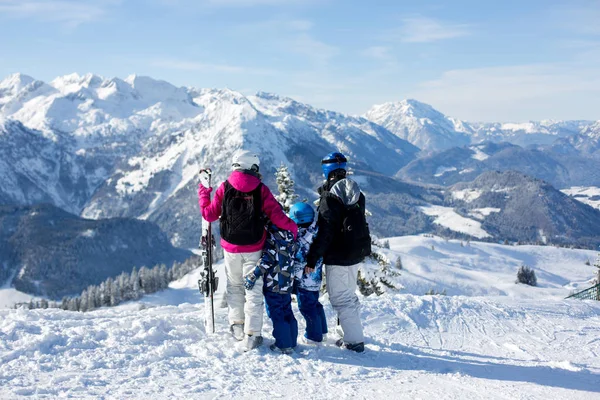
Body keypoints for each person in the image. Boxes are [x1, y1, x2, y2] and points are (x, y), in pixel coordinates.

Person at [198, 150, 298, 351]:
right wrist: (292, 229)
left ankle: (237, 326)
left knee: (234, 286)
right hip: (255, 247)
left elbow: (209, 215)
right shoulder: (261, 189)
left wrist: (203, 191)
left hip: (230, 248)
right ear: (253, 167)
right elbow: (277, 216)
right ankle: (253, 334)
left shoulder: (224, 187)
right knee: (253, 291)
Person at [305, 152, 371, 353]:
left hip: (338, 255)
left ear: (326, 169)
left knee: (342, 299)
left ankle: (354, 341)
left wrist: (313, 257)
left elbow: (326, 231)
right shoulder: (357, 192)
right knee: (348, 295)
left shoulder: (330, 197)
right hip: (355, 252)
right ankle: (348, 333)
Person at [244, 223, 298, 354]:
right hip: (286, 282)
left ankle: (283, 344)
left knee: (277, 313)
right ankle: (291, 341)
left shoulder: (273, 238)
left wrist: (254, 274)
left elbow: (267, 260)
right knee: (287, 311)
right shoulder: (289, 235)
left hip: (273, 283)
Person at [289, 202, 328, 345]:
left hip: (304, 280)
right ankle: (322, 331)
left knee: (306, 307)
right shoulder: (317, 231)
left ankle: (313, 336)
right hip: (316, 278)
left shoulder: (300, 237)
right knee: (315, 304)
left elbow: (298, 259)